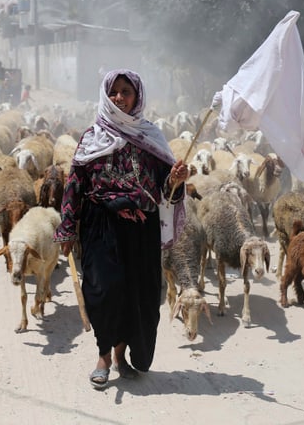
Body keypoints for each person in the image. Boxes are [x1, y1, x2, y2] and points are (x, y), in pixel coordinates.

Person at [54, 69, 189, 390]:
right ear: (105, 94)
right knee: (103, 290)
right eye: (114, 91)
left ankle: (120, 355)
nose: (119, 97)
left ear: (137, 96)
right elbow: (75, 184)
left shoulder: (150, 136)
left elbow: (164, 189)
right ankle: (102, 355)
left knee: (136, 295)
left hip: (141, 230)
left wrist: (176, 180)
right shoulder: (92, 137)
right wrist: (67, 228)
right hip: (101, 226)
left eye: (126, 91)